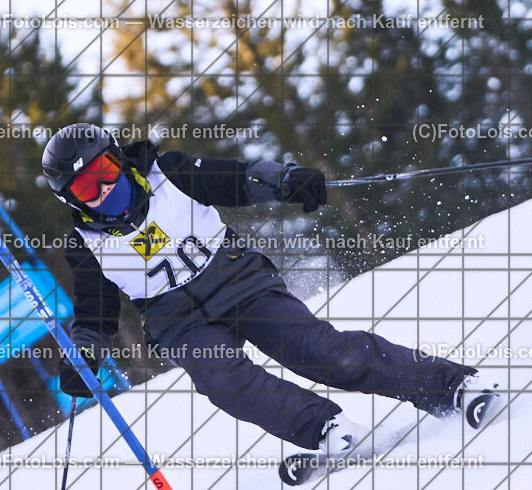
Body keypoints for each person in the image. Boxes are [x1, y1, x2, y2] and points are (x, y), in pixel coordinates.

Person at [42, 123, 500, 458]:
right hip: (174, 320)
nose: (103, 189)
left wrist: (285, 180)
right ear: (70, 198)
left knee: (317, 351)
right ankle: (323, 428)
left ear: (118, 160)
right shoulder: (85, 248)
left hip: (236, 279)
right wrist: (84, 355)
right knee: (221, 378)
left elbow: (236, 178)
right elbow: (94, 317)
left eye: (105, 170)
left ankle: (451, 385)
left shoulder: (169, 173)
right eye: (86, 186)